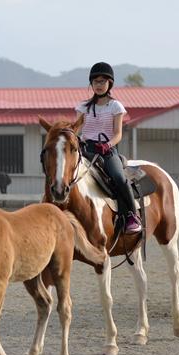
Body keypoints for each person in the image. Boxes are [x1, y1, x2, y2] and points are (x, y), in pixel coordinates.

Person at [76, 62, 141, 233]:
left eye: (102, 81)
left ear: (109, 83)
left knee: (119, 178)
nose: (99, 85)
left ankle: (131, 216)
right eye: (95, 81)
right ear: (91, 84)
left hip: (107, 150)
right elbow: (77, 129)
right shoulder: (82, 107)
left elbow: (118, 134)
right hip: (86, 149)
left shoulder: (115, 106)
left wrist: (108, 145)